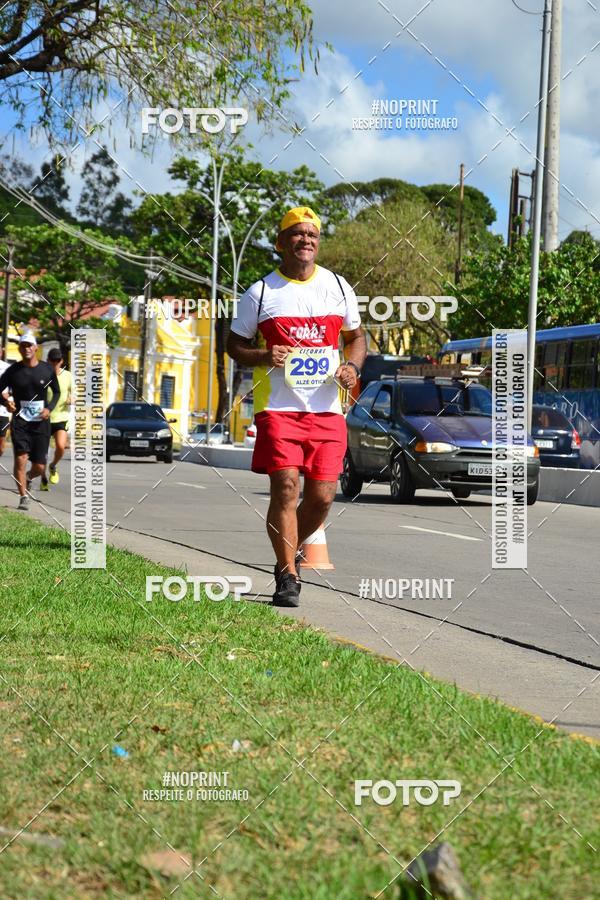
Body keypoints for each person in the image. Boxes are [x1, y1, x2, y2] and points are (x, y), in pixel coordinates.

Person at [227, 206, 366, 607]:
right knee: (286, 487)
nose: (306, 240)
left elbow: (358, 338)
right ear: (280, 243)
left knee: (323, 496)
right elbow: (234, 346)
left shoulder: (338, 287)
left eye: (313, 234)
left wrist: (352, 367)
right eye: (297, 234)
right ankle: (287, 572)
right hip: (278, 410)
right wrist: (263, 355)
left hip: (327, 411)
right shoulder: (262, 292)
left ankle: (292, 551)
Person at [0, 331, 60, 510]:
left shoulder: (46, 369)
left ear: (35, 348)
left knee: (40, 467)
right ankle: (23, 496)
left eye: (29, 345)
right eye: (23, 346)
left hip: (41, 423)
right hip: (21, 422)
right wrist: (6, 402)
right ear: (19, 349)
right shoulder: (13, 371)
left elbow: (56, 392)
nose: (26, 349)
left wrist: (49, 408)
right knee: (21, 458)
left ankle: (28, 478)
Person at [45, 347, 72, 486]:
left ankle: (53, 466)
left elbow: (78, 393)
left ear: (61, 361)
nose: (55, 363)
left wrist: (73, 398)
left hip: (61, 417)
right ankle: (42, 477)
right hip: (44, 418)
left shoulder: (68, 375)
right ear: (48, 360)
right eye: (52, 361)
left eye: (57, 361)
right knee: (42, 452)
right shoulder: (43, 375)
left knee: (61, 447)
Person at [0, 347, 11, 458]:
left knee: (1, 447)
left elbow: (15, 386)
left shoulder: (7, 368)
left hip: (2, 411)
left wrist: (10, 394)